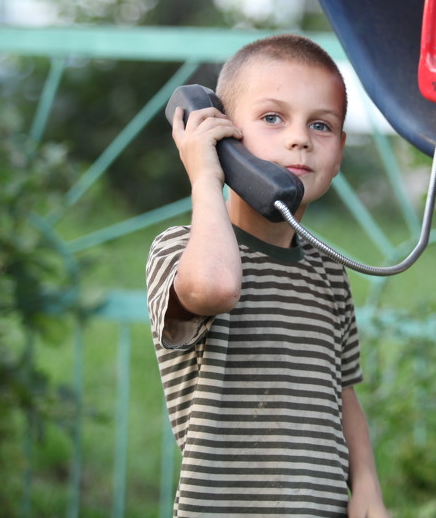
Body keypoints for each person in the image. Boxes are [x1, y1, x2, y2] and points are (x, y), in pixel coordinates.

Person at [146, 33, 389, 518]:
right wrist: (207, 177)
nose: (299, 138)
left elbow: (342, 391)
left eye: (321, 125)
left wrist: (366, 487)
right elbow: (215, 288)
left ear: (339, 152)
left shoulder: (327, 271)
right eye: (272, 118)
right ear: (224, 135)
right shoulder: (179, 250)